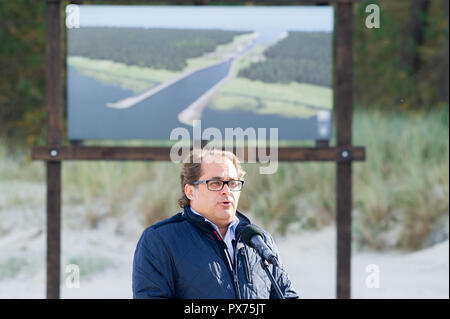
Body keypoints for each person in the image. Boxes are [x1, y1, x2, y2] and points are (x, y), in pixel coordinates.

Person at [132, 148, 299, 299]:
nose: (227, 191)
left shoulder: (259, 240)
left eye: (233, 183)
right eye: (215, 183)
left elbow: (286, 295)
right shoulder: (159, 240)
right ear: (190, 191)